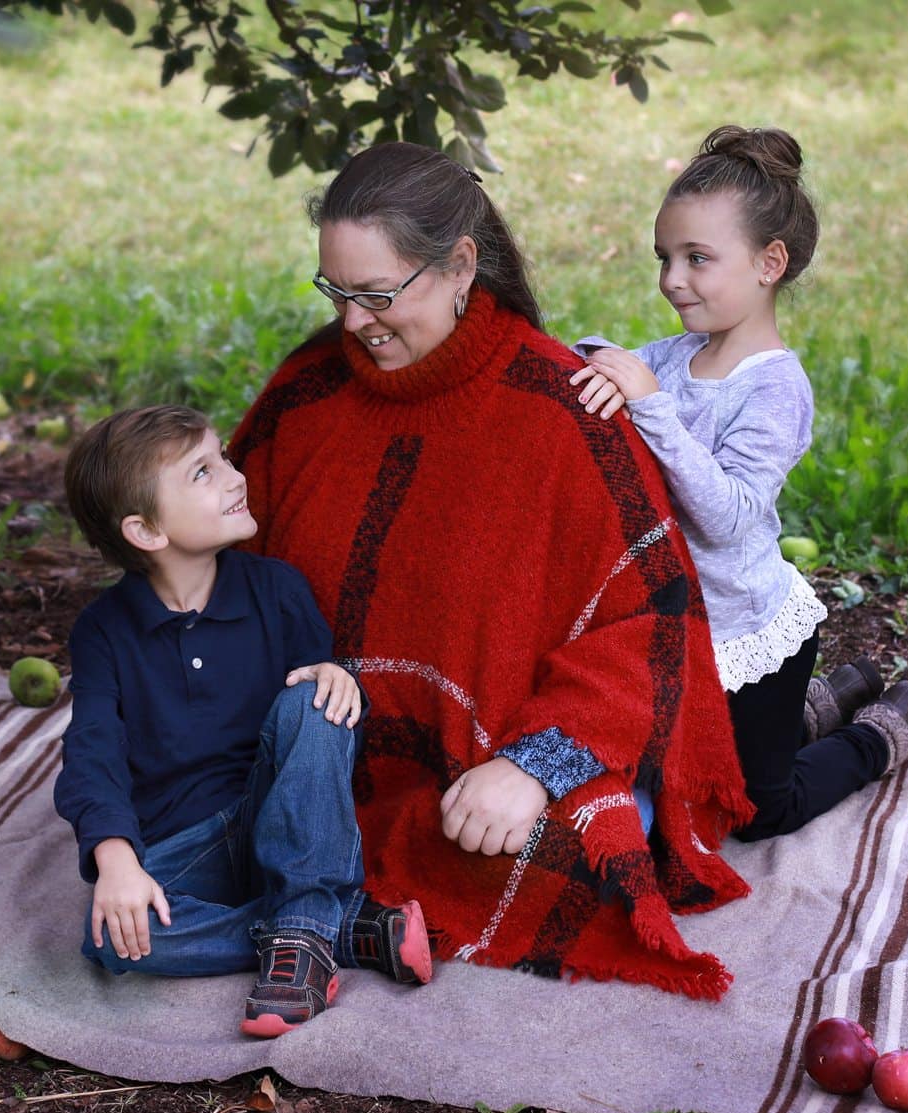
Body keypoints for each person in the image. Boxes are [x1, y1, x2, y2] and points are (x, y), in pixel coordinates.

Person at [228, 141, 756, 1001]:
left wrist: (535, 766)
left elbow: (652, 619)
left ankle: (826, 718)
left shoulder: (561, 408)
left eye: (378, 293)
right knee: (200, 842)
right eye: (337, 292)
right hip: (314, 763)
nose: (354, 321)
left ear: (461, 264)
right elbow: (215, 573)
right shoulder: (306, 392)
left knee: (571, 860)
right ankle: (326, 891)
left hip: (485, 773)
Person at [568, 125, 908, 841]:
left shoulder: (774, 389)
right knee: (680, 776)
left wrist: (650, 407)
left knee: (755, 813)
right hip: (674, 626)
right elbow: (603, 357)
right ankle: (820, 706)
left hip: (750, 635)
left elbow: (731, 517)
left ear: (769, 262)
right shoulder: (674, 357)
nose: (671, 279)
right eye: (664, 258)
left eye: (696, 259)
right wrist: (588, 361)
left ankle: (879, 730)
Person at [54, 404, 432, 1040]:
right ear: (146, 531)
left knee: (313, 698)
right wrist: (115, 859)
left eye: (223, 457)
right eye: (204, 473)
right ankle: (325, 929)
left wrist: (336, 679)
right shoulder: (103, 631)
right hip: (184, 841)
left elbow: (318, 748)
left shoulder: (276, 590)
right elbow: (92, 748)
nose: (235, 476)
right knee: (116, 943)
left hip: (279, 819)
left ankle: (304, 918)